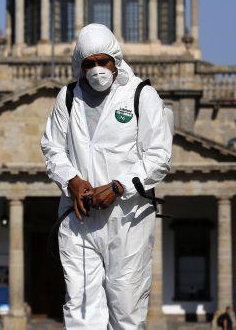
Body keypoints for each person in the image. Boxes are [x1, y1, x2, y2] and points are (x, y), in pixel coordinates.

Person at [41, 23, 173, 330]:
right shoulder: (68, 97)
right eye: (89, 63)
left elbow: (158, 157)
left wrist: (118, 187)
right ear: (79, 65)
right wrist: (71, 180)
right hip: (79, 216)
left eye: (104, 61)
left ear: (116, 60)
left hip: (127, 218)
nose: (97, 69)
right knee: (81, 308)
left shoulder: (142, 96)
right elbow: (52, 146)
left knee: (126, 309)